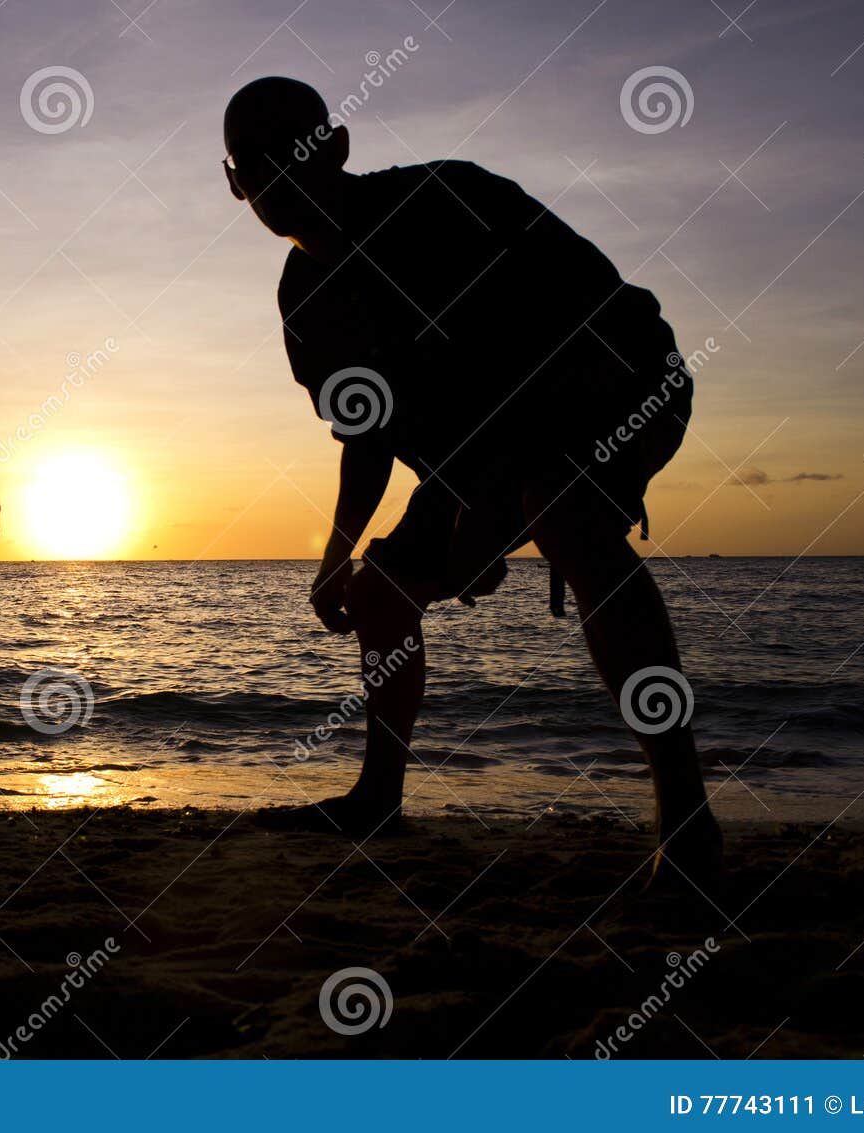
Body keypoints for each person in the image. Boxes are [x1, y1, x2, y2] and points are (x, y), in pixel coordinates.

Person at [224, 77, 721, 882]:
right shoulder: (306, 297)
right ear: (234, 182)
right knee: (380, 589)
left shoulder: (446, 201)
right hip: (481, 454)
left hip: (619, 381)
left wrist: (495, 503)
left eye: (296, 149)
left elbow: (571, 337)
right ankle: (377, 801)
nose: (277, 175)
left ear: (338, 148)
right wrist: (335, 556)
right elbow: (367, 434)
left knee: (560, 511)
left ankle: (686, 813)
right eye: (256, 162)